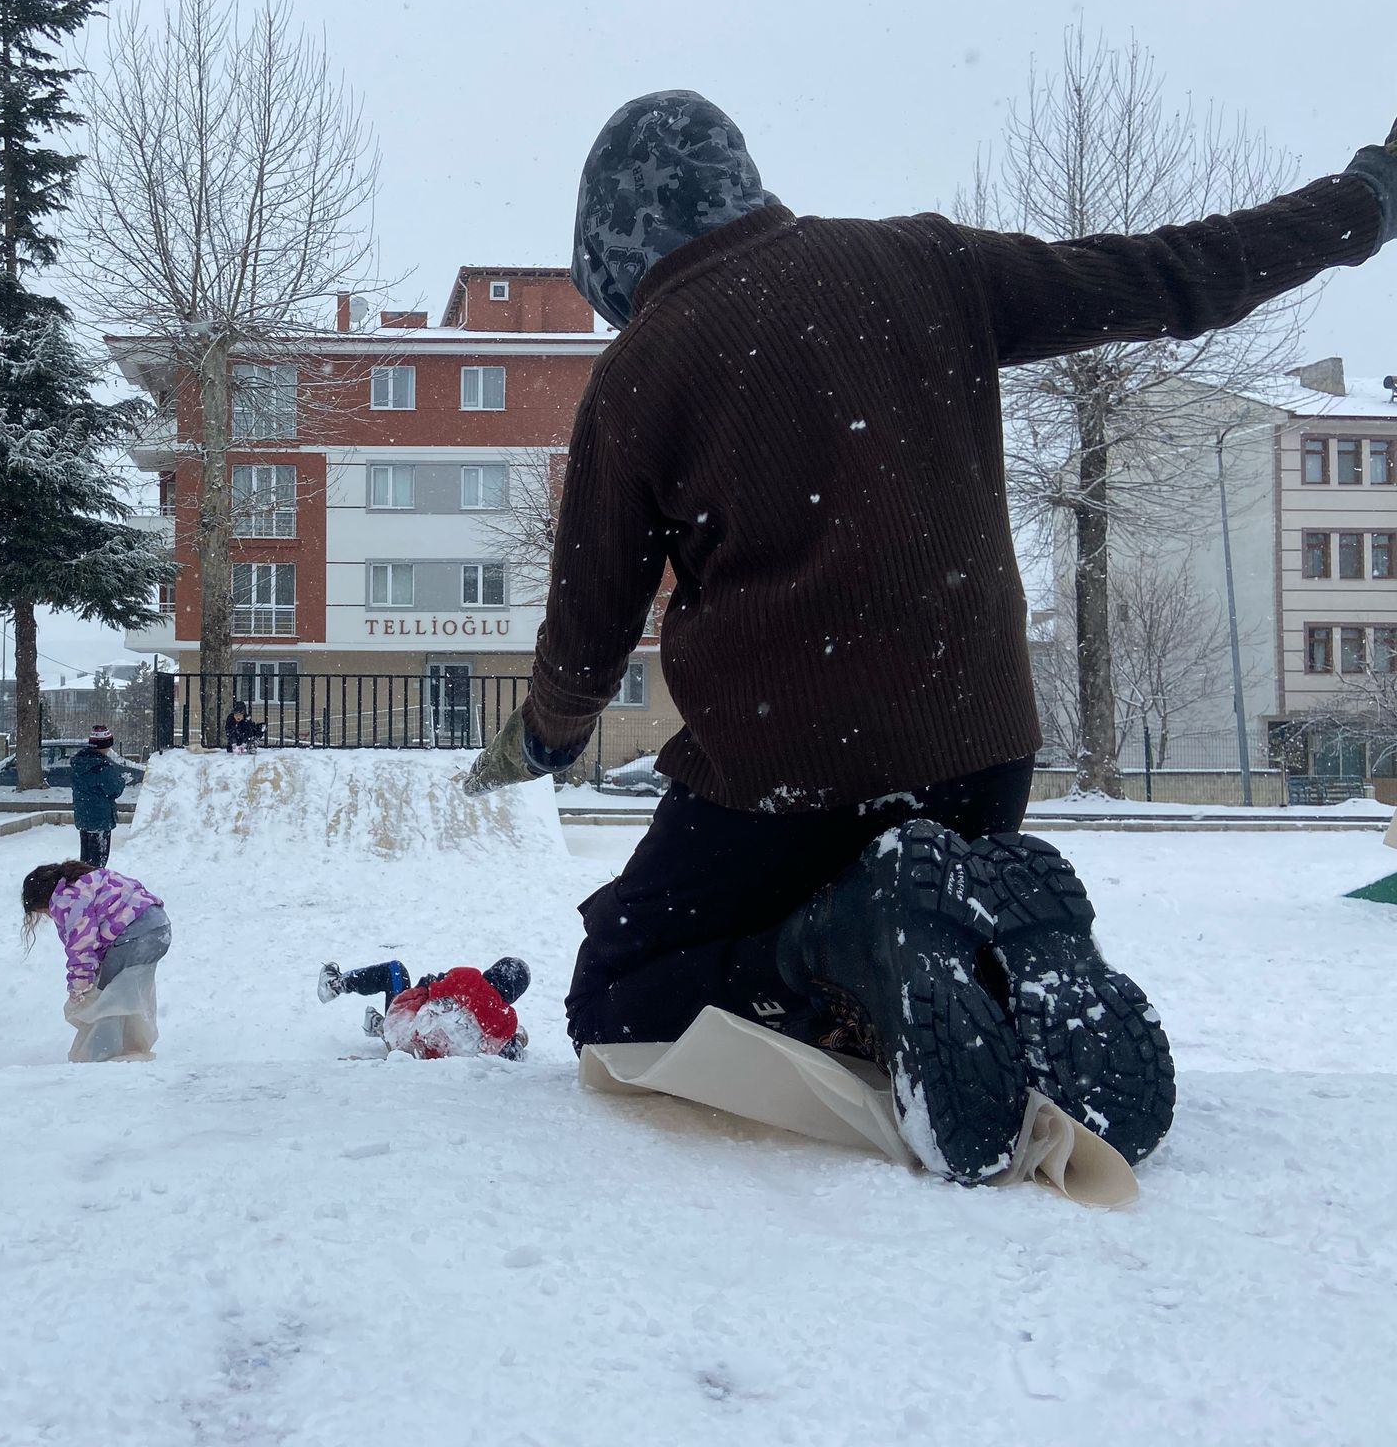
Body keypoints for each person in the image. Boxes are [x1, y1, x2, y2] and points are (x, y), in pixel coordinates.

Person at [466, 90, 1397, 1182]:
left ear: (612, 240)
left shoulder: (642, 367)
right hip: (978, 756)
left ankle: (841, 952)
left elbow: (589, 623)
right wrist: (1362, 201)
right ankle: (1000, 968)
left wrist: (540, 737)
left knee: (622, 998)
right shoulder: (925, 264)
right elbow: (1170, 276)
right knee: (912, 901)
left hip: (787, 772)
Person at [23, 860, 173, 1061]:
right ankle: (132, 1046)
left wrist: (78, 988)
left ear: (42, 899)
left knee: (106, 997)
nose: (49, 916)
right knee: (126, 993)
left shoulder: (66, 899)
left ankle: (100, 1054)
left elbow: (82, 947)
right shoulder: (86, 879)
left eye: (43, 912)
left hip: (134, 935)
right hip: (159, 926)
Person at [318, 957, 531, 1061]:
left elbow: (427, 989)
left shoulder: (468, 977)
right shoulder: (506, 1021)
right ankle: (383, 1028)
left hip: (406, 1036)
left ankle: (335, 984)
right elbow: (510, 1057)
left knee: (395, 970)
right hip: (433, 1060)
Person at [69, 725, 128, 868]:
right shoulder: (102, 767)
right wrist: (122, 780)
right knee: (98, 862)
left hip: (84, 817)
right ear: (103, 746)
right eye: (108, 745)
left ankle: (83, 883)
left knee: (86, 859)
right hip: (100, 819)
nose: (109, 749)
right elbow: (113, 790)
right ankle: (94, 886)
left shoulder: (79, 764)